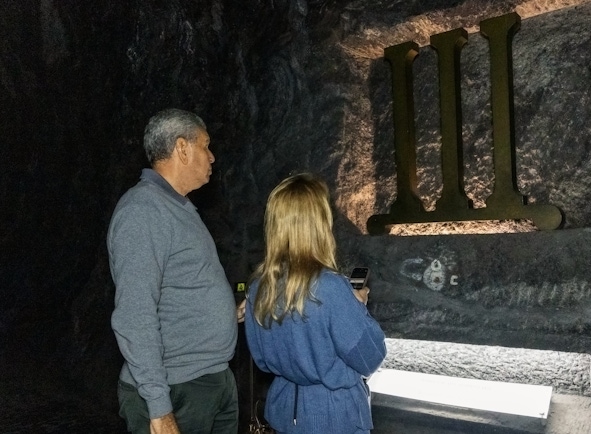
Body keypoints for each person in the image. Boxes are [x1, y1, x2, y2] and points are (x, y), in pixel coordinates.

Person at [108, 108, 241, 434]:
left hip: (209, 380)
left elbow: (182, 287)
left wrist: (227, 312)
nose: (212, 157)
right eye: (206, 146)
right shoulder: (142, 212)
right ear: (182, 148)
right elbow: (134, 315)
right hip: (178, 389)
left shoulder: (178, 207)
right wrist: (159, 406)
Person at [244, 173, 387, 434]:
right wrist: (358, 308)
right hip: (334, 416)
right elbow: (371, 357)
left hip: (284, 412)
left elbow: (262, 360)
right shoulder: (331, 287)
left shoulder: (259, 287)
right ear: (319, 224)